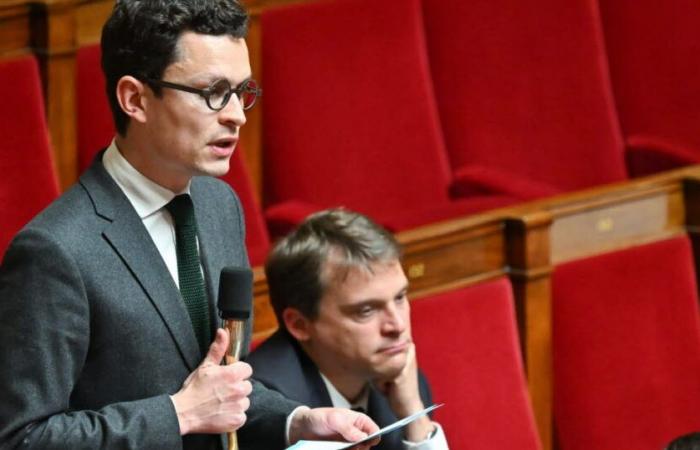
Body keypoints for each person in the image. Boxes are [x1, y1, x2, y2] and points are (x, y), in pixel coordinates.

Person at [0, 1, 379, 449]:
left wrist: (296, 421)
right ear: (135, 99)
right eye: (214, 92)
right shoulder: (56, 251)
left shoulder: (220, 207)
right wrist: (177, 413)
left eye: (242, 91)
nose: (236, 114)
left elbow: (221, 385)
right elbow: (22, 438)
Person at [248, 209, 450, 450]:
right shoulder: (262, 412)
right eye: (366, 310)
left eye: (399, 297)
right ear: (299, 324)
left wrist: (414, 414)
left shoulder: (400, 378)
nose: (397, 325)